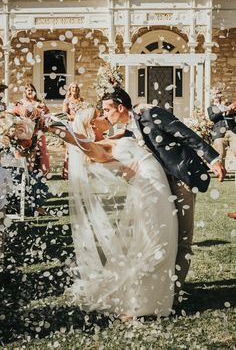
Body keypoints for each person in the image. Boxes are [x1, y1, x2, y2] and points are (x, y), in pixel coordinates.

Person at [47, 107, 178, 318]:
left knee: (164, 240)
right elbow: (78, 141)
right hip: (148, 191)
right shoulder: (98, 148)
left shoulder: (116, 136)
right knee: (155, 243)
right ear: (92, 124)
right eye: (99, 114)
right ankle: (140, 305)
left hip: (157, 187)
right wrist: (54, 128)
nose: (104, 116)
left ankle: (150, 299)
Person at [101, 87, 226, 300]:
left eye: (107, 109)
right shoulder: (128, 128)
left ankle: (174, 292)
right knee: (164, 235)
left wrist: (213, 158)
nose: (104, 114)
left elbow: (186, 134)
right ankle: (161, 285)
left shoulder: (151, 114)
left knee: (183, 237)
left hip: (181, 179)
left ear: (120, 107)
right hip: (159, 184)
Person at [12, 83, 50, 215]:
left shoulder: (41, 105)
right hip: (24, 140)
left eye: (32, 89)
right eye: (27, 89)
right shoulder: (19, 105)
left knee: (41, 170)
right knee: (22, 171)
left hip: (39, 139)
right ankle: (18, 203)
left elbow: (47, 122)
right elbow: (14, 119)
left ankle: (38, 205)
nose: (29, 91)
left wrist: (42, 117)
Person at [207, 90, 236, 169]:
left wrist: (230, 110)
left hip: (232, 131)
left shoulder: (227, 105)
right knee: (220, 154)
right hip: (219, 132)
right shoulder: (211, 108)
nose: (216, 95)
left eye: (218, 93)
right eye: (214, 94)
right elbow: (212, 117)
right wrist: (223, 110)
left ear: (221, 95)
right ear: (212, 97)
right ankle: (222, 172)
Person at [62, 82, 84, 179]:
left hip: (79, 126)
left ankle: (78, 172)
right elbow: (64, 115)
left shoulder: (81, 100)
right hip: (71, 126)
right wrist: (74, 117)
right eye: (72, 87)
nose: (74, 89)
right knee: (70, 149)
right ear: (70, 89)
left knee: (79, 148)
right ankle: (67, 172)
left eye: (76, 87)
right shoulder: (66, 101)